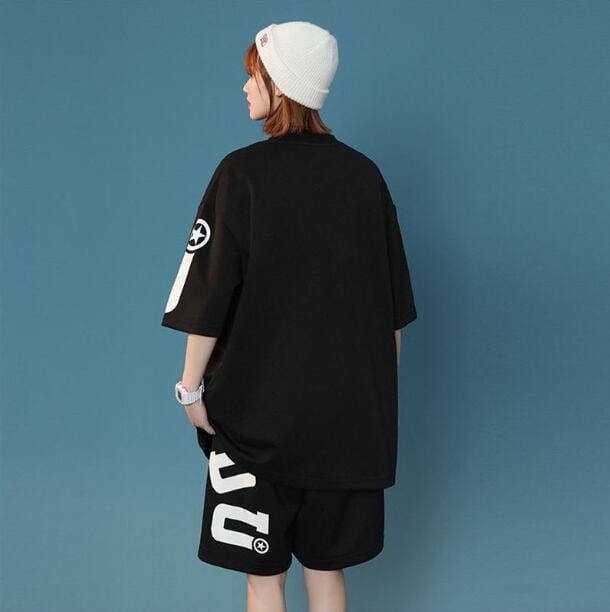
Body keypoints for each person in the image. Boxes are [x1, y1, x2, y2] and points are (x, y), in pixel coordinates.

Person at [161, 20, 417, 612]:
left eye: (254, 75)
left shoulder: (242, 174)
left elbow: (207, 292)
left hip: (254, 424)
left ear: (280, 85)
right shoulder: (365, 178)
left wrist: (190, 389)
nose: (245, 86)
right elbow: (391, 317)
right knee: (327, 573)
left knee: (263, 580)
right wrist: (370, 409)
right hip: (348, 427)